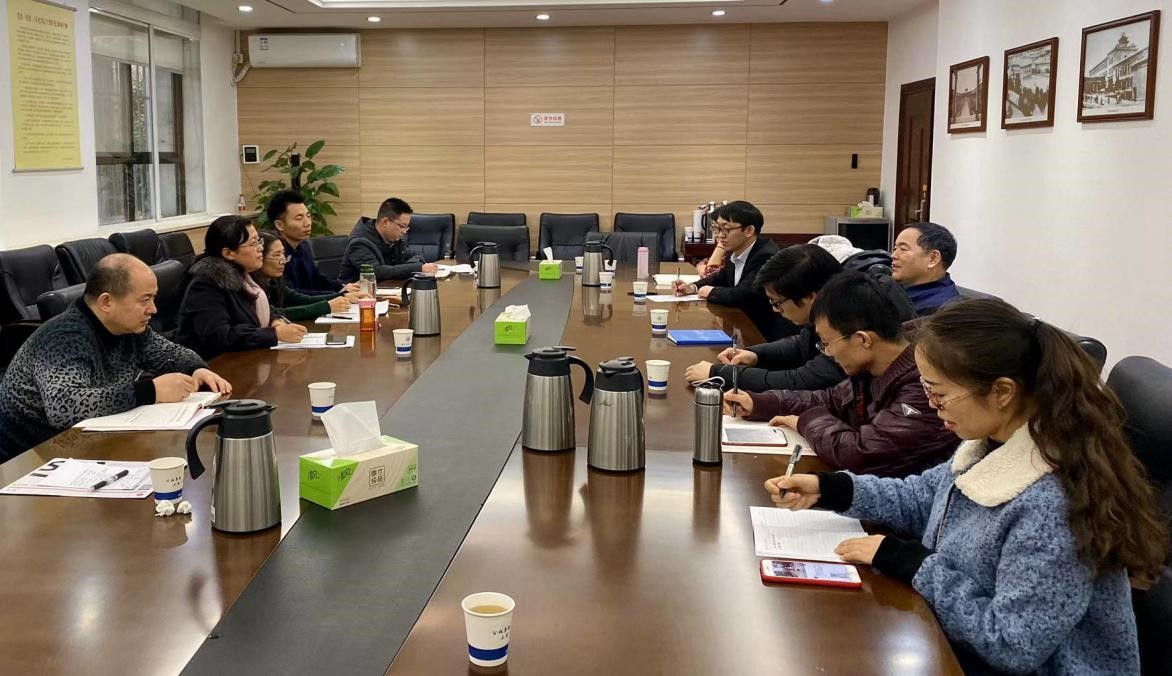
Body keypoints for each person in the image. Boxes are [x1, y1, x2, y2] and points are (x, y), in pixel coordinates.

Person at [765, 299, 1168, 675]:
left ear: (1002, 392)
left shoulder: (1051, 503)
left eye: (938, 394)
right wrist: (833, 489)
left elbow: (1012, 644)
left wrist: (911, 563)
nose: (931, 406)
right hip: (952, 642)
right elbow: (922, 498)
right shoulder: (991, 444)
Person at [0, 254, 232, 461]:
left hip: (85, 444)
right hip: (27, 461)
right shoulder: (64, 338)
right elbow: (64, 407)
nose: (153, 309)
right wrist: (150, 391)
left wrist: (196, 369)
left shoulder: (128, 327)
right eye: (144, 300)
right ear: (106, 302)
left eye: (153, 298)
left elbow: (169, 353)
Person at [723, 271, 955, 477]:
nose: (828, 353)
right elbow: (832, 399)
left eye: (827, 343)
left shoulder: (924, 383)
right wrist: (761, 403)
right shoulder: (872, 366)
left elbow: (862, 454)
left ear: (863, 339)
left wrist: (806, 422)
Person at [683, 244, 846, 393]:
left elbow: (802, 381)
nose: (775, 309)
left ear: (811, 297)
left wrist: (720, 373)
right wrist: (755, 355)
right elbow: (801, 344)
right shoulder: (829, 310)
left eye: (777, 303)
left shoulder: (847, 325)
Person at [176, 216, 307, 359]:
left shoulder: (245, 275)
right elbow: (219, 336)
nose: (261, 248)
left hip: (247, 357)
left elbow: (262, 310)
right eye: (253, 243)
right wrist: (274, 334)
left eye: (259, 241)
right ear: (228, 253)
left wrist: (275, 320)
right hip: (214, 365)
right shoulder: (206, 284)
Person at [671, 201, 793, 341]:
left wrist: (711, 292)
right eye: (716, 229)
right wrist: (692, 287)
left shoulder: (766, 256)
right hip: (743, 326)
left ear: (749, 230)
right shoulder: (736, 251)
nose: (719, 236)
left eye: (726, 229)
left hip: (765, 334)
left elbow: (744, 295)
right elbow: (720, 277)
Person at [254, 232, 369, 321]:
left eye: (283, 254)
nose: (283, 261)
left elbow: (299, 298)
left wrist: (342, 295)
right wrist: (326, 306)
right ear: (259, 256)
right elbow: (276, 313)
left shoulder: (275, 280)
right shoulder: (252, 287)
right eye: (276, 255)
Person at [266, 190, 363, 296]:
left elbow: (318, 279)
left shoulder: (302, 247)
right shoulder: (276, 255)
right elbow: (293, 295)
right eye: (299, 218)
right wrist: (339, 294)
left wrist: (343, 287)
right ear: (279, 225)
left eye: (308, 216)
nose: (308, 223)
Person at [339, 197, 438, 282]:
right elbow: (377, 272)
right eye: (402, 226)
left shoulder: (393, 238)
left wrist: (415, 266)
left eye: (406, 227)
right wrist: (419, 268)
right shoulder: (359, 243)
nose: (404, 231)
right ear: (385, 222)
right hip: (356, 295)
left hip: (387, 290)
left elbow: (415, 256)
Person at [891, 223, 960, 316]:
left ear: (933, 259)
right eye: (895, 249)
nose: (893, 255)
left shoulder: (939, 313)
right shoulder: (900, 289)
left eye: (903, 249)